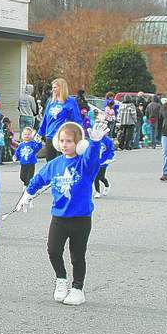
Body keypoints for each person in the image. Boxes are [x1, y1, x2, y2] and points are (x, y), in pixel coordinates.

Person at [16, 119, 109, 307]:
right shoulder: (55, 164)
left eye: (70, 141)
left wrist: (96, 143)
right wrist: (27, 194)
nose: (65, 145)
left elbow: (93, 160)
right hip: (59, 216)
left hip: (81, 218)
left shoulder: (85, 164)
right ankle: (61, 279)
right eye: (63, 141)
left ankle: (77, 288)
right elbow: (39, 178)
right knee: (53, 250)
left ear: (79, 144)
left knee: (77, 255)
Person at [37, 78, 83, 161]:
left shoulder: (70, 101)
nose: (53, 90)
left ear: (61, 88)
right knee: (50, 162)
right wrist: (40, 133)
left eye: (55, 87)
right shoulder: (51, 102)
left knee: (62, 161)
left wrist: (80, 134)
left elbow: (76, 119)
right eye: (52, 88)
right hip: (50, 136)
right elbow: (45, 119)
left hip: (63, 136)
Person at [94, 130, 115, 198]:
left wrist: (109, 158)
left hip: (104, 161)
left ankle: (107, 185)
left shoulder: (108, 141)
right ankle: (97, 191)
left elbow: (111, 151)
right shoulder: (96, 139)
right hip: (96, 161)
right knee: (95, 177)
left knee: (101, 177)